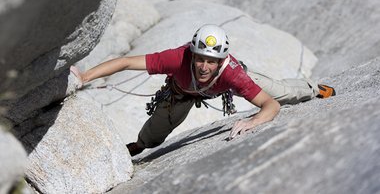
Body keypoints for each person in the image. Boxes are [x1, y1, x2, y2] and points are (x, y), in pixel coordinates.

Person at [71, 24, 335, 156]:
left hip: (224, 87)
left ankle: (315, 89)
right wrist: (84, 76)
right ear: (193, 54)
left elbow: (271, 105)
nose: (204, 66)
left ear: (221, 61)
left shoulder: (232, 72)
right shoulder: (178, 58)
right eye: (200, 59)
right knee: (153, 134)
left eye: (211, 61)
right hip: (182, 92)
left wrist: (253, 121)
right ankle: (138, 147)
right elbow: (126, 62)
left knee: (282, 92)